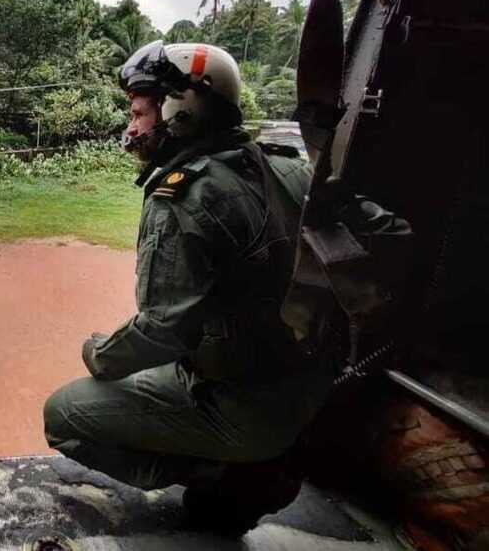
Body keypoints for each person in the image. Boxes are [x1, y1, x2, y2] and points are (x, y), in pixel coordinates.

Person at [42, 41, 335, 535]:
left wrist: (99, 354)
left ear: (179, 111)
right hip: (306, 393)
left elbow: (162, 331)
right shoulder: (286, 167)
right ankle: (249, 465)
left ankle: (227, 474)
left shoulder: (183, 197)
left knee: (64, 414)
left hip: (244, 405)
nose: (132, 127)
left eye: (139, 113)